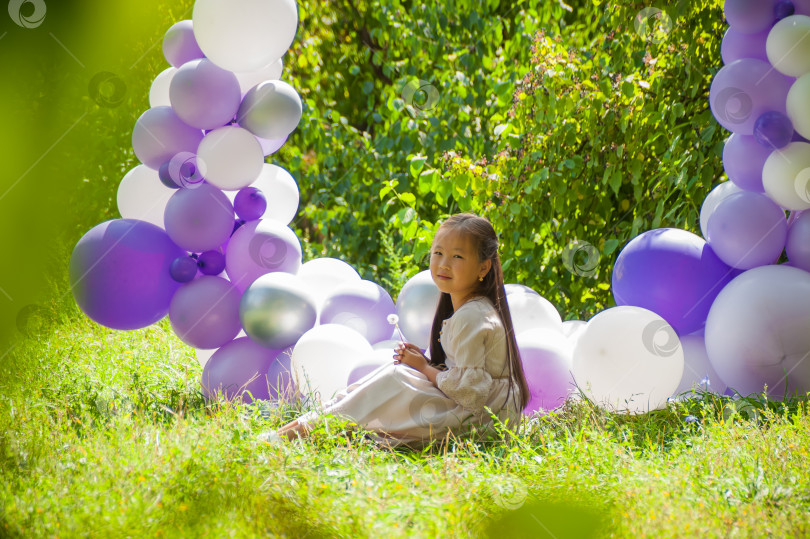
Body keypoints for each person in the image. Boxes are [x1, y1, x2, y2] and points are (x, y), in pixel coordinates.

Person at [274, 213, 530, 449]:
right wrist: (423, 366)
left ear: (483, 268)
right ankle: (312, 423)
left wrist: (425, 368)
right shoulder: (470, 309)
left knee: (398, 379)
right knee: (396, 376)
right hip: (479, 410)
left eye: (458, 257)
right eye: (438, 252)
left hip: (481, 420)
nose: (443, 264)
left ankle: (309, 427)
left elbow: (470, 392)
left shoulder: (471, 315)